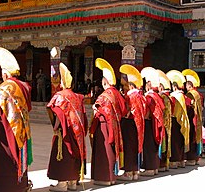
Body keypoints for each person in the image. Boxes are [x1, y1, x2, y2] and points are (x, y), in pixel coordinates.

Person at [0, 47, 33, 192]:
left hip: (6, 132)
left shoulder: (5, 87)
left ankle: (4, 187)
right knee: (18, 157)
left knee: (5, 160)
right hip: (21, 130)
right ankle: (20, 185)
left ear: (5, 73)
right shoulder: (24, 86)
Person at [46, 62, 87, 192]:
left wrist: (55, 126)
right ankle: (73, 182)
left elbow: (58, 113)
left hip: (65, 131)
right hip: (77, 132)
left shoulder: (60, 96)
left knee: (63, 154)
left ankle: (62, 184)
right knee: (74, 155)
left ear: (62, 83)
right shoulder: (77, 97)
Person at [90, 58, 126, 186]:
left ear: (105, 82)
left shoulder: (105, 95)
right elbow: (123, 108)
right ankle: (112, 177)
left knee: (104, 150)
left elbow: (101, 109)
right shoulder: (117, 94)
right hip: (115, 125)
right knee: (112, 149)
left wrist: (95, 109)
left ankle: (104, 177)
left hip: (104, 126)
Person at [118, 64, 146, 181]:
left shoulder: (129, 96)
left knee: (128, 147)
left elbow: (125, 110)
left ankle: (128, 172)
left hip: (129, 123)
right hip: (138, 124)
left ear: (130, 85)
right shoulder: (140, 96)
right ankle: (135, 171)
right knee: (135, 146)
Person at [140, 67, 165, 176]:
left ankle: (149, 168)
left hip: (149, 123)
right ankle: (154, 167)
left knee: (148, 145)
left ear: (149, 84)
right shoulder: (157, 96)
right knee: (154, 145)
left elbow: (146, 110)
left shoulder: (149, 96)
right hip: (155, 123)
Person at [166, 70, 190, 169]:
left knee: (175, 142)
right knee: (181, 141)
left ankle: (174, 161)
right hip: (182, 120)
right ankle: (181, 160)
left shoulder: (174, 96)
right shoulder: (183, 96)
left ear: (174, 86)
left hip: (175, 119)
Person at [182, 69, 203, 165]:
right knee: (197, 137)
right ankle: (196, 158)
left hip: (192, 118)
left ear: (188, 86)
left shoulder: (190, 94)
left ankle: (191, 158)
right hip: (198, 118)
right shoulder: (198, 94)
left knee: (191, 137)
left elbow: (188, 107)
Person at [157, 69, 173, 172]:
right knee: (167, 142)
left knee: (163, 143)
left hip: (163, 122)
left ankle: (162, 165)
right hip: (168, 123)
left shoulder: (162, 97)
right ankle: (166, 164)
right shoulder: (169, 97)